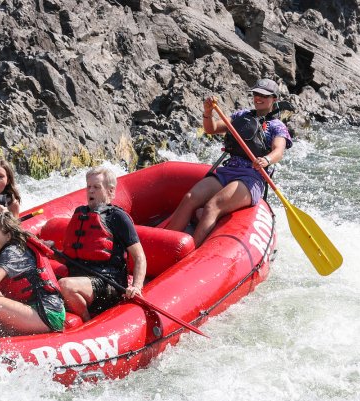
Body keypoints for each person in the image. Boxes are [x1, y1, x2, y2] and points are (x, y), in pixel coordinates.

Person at [164, 78, 293, 246]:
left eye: (264, 95)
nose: (258, 98)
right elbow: (211, 129)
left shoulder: (277, 126)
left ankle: (189, 254)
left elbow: (279, 151)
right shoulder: (241, 116)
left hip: (251, 178)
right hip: (228, 171)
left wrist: (266, 160)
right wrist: (208, 112)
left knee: (212, 206)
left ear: (274, 99)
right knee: (190, 197)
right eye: (256, 94)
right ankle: (165, 242)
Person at [56, 166, 146, 321]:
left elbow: (139, 257)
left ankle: (87, 322)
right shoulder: (80, 213)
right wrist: (49, 249)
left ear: (110, 191)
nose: (90, 191)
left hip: (107, 284)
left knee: (65, 285)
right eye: (88, 186)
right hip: (79, 279)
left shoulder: (117, 217)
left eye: (96, 187)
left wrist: (136, 287)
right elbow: (70, 255)